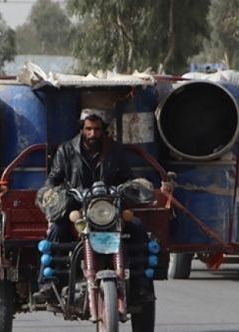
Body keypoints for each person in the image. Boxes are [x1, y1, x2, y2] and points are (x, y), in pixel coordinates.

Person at [35, 108, 154, 301]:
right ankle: (47, 283)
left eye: (97, 129)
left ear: (103, 130)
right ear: (81, 129)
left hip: (110, 209)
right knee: (57, 229)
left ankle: (141, 285)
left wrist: (131, 187)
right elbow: (53, 179)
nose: (93, 133)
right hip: (77, 210)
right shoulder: (66, 150)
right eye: (88, 128)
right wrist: (53, 193)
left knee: (138, 228)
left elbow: (127, 178)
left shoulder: (115, 150)